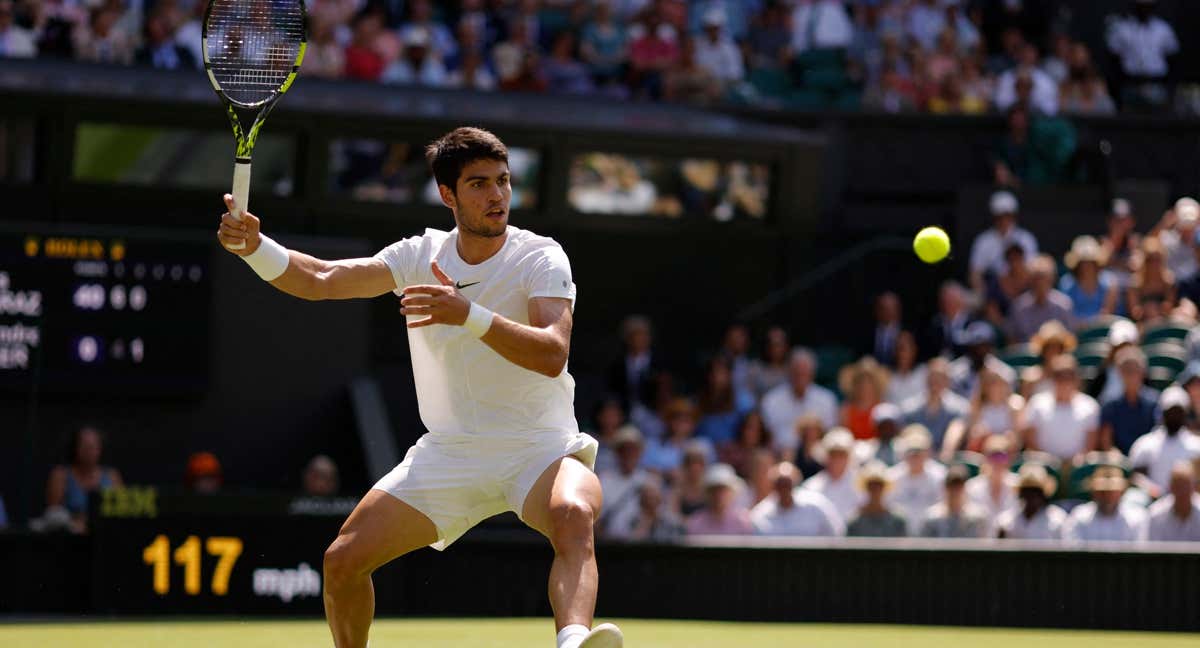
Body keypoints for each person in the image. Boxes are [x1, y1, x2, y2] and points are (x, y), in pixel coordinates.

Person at [216, 127, 622, 648]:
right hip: (449, 453)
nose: (497, 195)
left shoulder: (542, 256)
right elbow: (320, 279)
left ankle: (572, 643)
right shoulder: (418, 255)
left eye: (502, 181)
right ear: (447, 195)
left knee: (574, 513)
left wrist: (468, 314)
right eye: (478, 184)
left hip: (538, 447)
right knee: (342, 562)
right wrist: (255, 247)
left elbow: (552, 353)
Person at [45, 426, 124, 534]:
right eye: (84, 446)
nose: (89, 451)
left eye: (93, 446)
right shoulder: (60, 475)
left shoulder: (112, 476)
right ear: (75, 448)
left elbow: (121, 512)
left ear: (100, 449)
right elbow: (53, 513)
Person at [1022, 355, 1100, 463]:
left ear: (1076, 380)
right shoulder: (1037, 403)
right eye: (1059, 376)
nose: (1064, 382)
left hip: (1077, 466)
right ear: (1052, 379)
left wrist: (1076, 461)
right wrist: (1050, 462)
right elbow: (1030, 442)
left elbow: (1090, 445)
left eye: (1069, 377)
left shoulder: (1090, 405)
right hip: (1043, 465)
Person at [760, 348, 838, 455]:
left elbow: (829, 435)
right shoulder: (771, 400)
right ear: (788, 372)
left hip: (817, 459)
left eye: (804, 373)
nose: (800, 377)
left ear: (812, 373)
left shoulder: (827, 399)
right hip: (779, 457)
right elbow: (768, 438)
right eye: (796, 372)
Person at [1105, 0, 1178, 111]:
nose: (1144, 10)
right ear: (1135, 6)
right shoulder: (1122, 28)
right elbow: (1114, 57)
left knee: (1159, 120)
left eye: (1148, 6)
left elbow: (1172, 56)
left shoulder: (1163, 28)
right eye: (1141, 6)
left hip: (1157, 84)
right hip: (1130, 84)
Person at [1129, 386, 1200, 496]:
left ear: (1185, 413)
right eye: (1171, 412)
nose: (1174, 416)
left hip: (1188, 503)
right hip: (1152, 502)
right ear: (1162, 412)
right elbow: (1135, 475)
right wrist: (1152, 490)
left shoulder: (1196, 445)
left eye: (1178, 412)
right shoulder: (1146, 443)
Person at [968, 190, 1038, 297]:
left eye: (1008, 215)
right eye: (999, 216)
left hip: (1022, 291)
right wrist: (986, 297)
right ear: (994, 216)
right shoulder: (983, 241)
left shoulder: (1026, 238)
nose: (1004, 220)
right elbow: (975, 275)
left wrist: (1015, 291)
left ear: (1014, 215)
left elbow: (1031, 271)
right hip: (991, 293)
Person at [750, 462, 844, 537]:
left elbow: (835, 533)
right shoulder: (760, 515)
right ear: (773, 487)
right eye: (780, 485)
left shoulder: (817, 505)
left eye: (788, 484)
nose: (784, 489)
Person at [887, 424, 946, 535]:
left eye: (919, 451)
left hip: (932, 537)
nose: (914, 455)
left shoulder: (940, 476)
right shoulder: (892, 477)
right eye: (911, 451)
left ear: (927, 452)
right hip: (899, 537)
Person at [1063, 467, 1148, 543]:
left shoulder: (1136, 518)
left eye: (1112, 492)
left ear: (1122, 492)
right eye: (1102, 492)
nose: (1107, 496)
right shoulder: (1079, 516)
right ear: (1094, 492)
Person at [1100, 347, 1159, 456]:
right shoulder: (1110, 404)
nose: (1131, 375)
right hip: (1118, 463)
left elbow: (1158, 436)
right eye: (1126, 370)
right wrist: (1116, 456)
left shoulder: (1154, 402)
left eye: (1135, 370)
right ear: (1119, 373)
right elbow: (1106, 441)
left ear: (1143, 372)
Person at [901, 358, 968, 450]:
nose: (935, 383)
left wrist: (946, 453)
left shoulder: (960, 406)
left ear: (947, 381)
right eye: (933, 378)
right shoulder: (910, 408)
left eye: (940, 378)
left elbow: (957, 429)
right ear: (926, 379)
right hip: (917, 455)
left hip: (946, 457)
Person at [1006, 255, 1075, 343]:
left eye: (1043, 278)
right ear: (1030, 280)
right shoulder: (1019, 306)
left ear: (1051, 279)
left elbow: (1070, 338)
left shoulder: (1064, 304)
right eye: (1036, 278)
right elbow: (1012, 340)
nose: (1040, 283)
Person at [800, 428, 861, 521]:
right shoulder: (811, 487)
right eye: (833, 454)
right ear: (825, 456)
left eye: (841, 454)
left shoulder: (862, 484)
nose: (837, 460)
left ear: (849, 457)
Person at [996, 463, 1066, 540]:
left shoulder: (1058, 520)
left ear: (1043, 494)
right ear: (1021, 493)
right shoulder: (1006, 521)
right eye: (1026, 491)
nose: (1031, 496)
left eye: (1035, 491)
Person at [947, 321, 1016, 400]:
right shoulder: (954, 371)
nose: (976, 351)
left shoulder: (1004, 374)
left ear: (990, 347)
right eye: (972, 346)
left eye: (980, 346)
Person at [695, 356, 754, 446]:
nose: (717, 377)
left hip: (736, 450)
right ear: (708, 376)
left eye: (722, 373)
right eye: (713, 373)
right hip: (706, 451)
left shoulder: (743, 400)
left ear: (730, 375)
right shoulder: (698, 400)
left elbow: (751, 429)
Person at [919, 465, 989, 539]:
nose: (955, 491)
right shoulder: (931, 518)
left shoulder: (978, 518)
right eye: (951, 486)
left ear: (965, 488)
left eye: (959, 486)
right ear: (945, 488)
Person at [1059, 236, 1118, 323]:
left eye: (1090, 262)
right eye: (1083, 262)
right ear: (1078, 265)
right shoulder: (1067, 284)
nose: (1087, 266)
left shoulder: (1109, 282)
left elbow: (1107, 313)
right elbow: (1068, 314)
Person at [964, 435, 1018, 527]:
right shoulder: (971, 488)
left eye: (1002, 456)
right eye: (993, 456)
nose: (997, 461)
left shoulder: (1019, 485)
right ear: (985, 459)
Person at [685, 463, 753, 535]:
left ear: (731, 493)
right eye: (714, 490)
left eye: (723, 490)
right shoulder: (695, 523)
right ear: (707, 493)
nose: (718, 495)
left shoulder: (743, 522)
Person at [847, 461, 907, 538]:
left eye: (879, 485)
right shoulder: (854, 522)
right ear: (867, 488)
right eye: (872, 485)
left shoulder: (898, 520)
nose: (875, 489)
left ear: (884, 488)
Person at [1125, 237, 1176, 324]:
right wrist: (1147, 310)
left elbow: (1170, 308)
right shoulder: (1135, 284)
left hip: (1163, 323)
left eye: (1157, 259)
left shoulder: (1168, 281)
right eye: (1150, 260)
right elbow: (1135, 313)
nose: (1154, 264)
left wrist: (1160, 309)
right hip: (1142, 325)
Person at [1147, 461, 1200, 541]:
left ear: (1194, 487)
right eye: (1178, 486)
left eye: (1186, 486)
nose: (1182, 491)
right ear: (1171, 487)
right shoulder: (1155, 514)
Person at [838, 357, 889, 440]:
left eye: (869, 383)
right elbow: (843, 436)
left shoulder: (883, 407)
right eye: (861, 383)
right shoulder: (846, 409)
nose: (865, 387)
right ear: (855, 385)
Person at [693, 9, 743, 87]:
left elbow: (735, 76)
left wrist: (716, 82)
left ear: (721, 28)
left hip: (723, 87)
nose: (712, 32)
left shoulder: (730, 48)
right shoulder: (698, 45)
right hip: (700, 85)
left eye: (715, 28)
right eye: (709, 28)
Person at [717, 411, 772, 478]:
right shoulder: (730, 451)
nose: (753, 433)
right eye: (750, 427)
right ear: (743, 428)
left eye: (757, 429)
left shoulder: (766, 455)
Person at [925, 281, 971, 358]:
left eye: (952, 299)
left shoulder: (972, 323)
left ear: (961, 301)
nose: (948, 303)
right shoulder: (935, 323)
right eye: (945, 299)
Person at [885, 331, 926, 406]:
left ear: (914, 350)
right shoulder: (886, 375)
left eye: (907, 348)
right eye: (899, 348)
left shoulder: (925, 373)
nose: (902, 353)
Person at [748, 326, 790, 399]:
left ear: (786, 346)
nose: (776, 349)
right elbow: (748, 397)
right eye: (772, 344)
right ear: (766, 346)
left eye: (779, 345)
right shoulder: (755, 368)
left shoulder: (792, 368)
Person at [870, 292, 902, 368]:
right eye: (883, 308)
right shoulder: (869, 333)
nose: (887, 312)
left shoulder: (906, 333)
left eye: (891, 308)